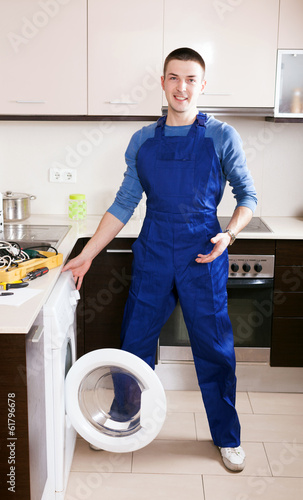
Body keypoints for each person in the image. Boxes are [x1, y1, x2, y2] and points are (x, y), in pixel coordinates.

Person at [62, 47, 257, 472]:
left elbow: (248, 196)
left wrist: (230, 233)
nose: (181, 87)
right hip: (153, 251)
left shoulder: (222, 136)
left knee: (215, 349)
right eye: (173, 77)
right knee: (133, 344)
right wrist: (87, 255)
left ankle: (227, 436)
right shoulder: (143, 140)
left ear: (202, 85)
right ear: (163, 82)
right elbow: (124, 204)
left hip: (203, 254)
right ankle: (122, 420)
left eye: (190, 79)